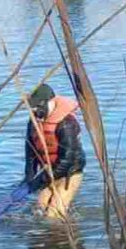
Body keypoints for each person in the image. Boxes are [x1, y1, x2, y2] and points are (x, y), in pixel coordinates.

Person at [24, 84, 85, 218]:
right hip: (50, 170)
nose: (35, 112)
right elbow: (30, 150)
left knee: (54, 213)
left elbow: (68, 158)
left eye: (38, 107)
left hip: (70, 172)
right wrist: (29, 176)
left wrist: (42, 179)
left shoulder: (66, 123)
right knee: (39, 208)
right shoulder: (34, 122)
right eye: (32, 109)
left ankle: (65, 235)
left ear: (50, 102)